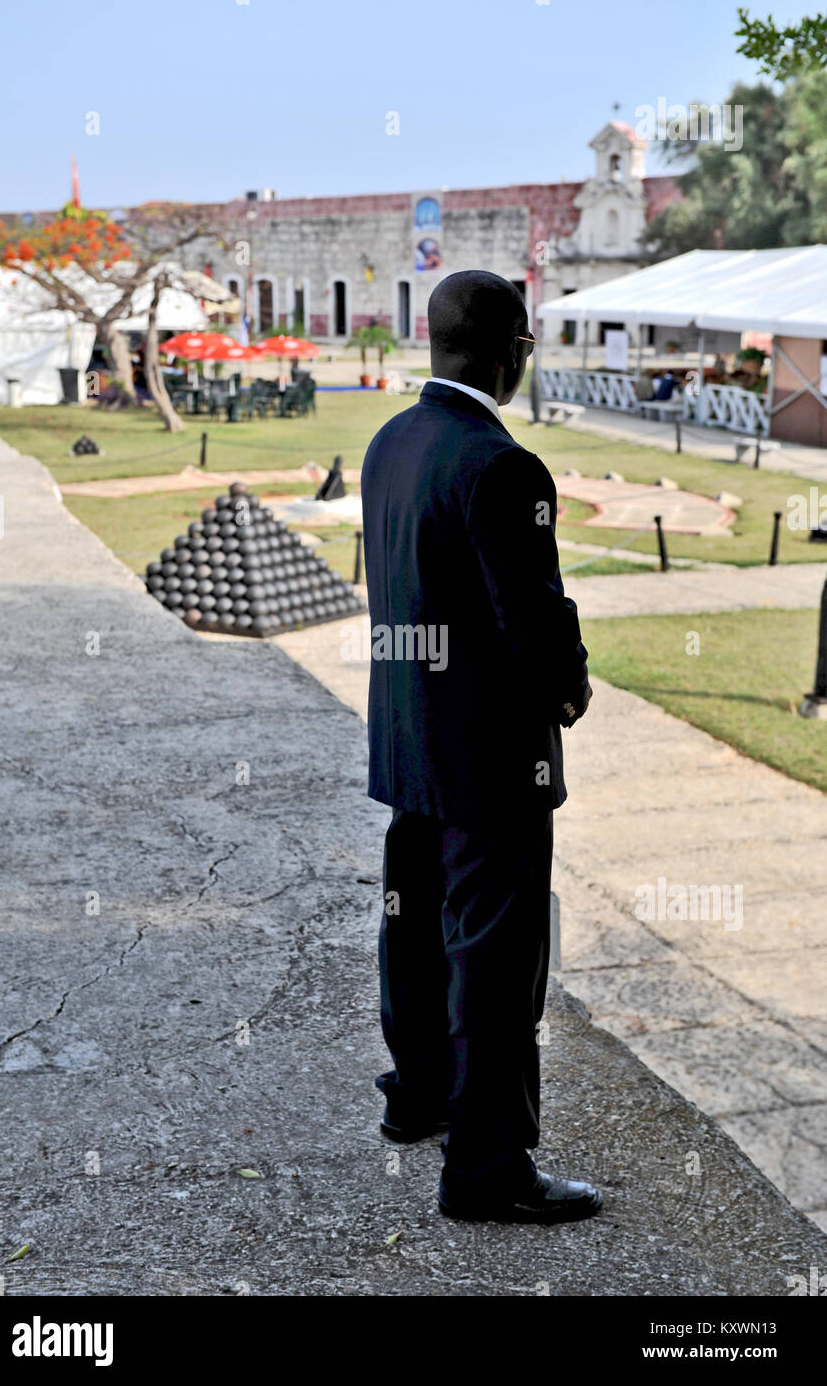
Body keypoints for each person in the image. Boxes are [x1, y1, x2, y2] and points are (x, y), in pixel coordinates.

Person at [360, 269, 602, 1224]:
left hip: (407, 740)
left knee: (413, 933)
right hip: (489, 760)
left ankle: (417, 1099)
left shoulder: (392, 441)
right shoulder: (502, 465)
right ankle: (487, 1168)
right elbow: (529, 620)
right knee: (494, 961)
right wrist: (568, 683)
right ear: (508, 348)